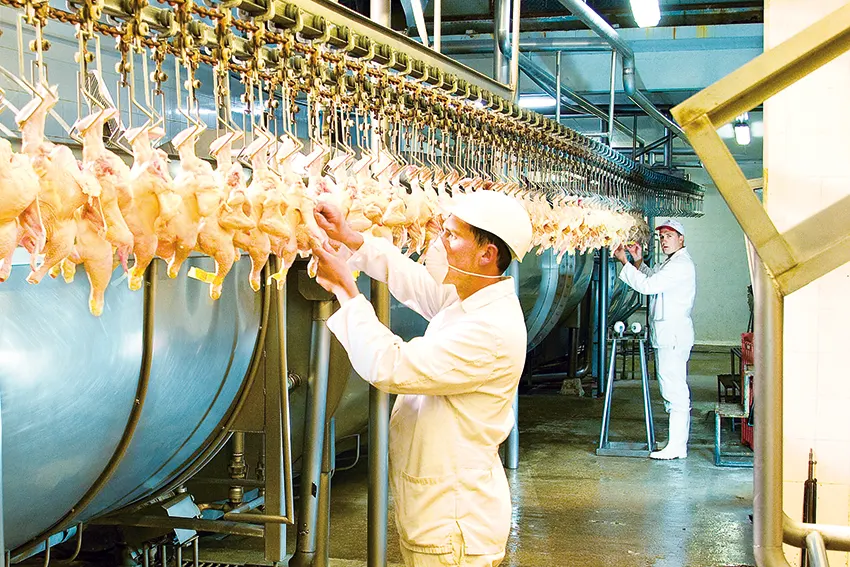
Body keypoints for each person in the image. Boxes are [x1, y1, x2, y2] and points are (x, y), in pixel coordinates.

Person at [310, 191, 533, 567]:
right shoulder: (471, 302)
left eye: (452, 236)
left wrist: (347, 292)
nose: (440, 242)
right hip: (439, 507)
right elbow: (420, 285)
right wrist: (351, 237)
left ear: (487, 255)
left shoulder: (490, 331)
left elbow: (390, 365)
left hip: (454, 519)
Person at [613, 219, 696, 460]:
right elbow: (654, 277)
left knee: (674, 389)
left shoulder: (681, 265)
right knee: (669, 386)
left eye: (669, 236)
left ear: (681, 239)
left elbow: (649, 287)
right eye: (661, 236)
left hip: (673, 334)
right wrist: (638, 262)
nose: (664, 240)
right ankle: (675, 440)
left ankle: (678, 447)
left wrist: (624, 262)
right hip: (668, 334)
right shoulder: (671, 264)